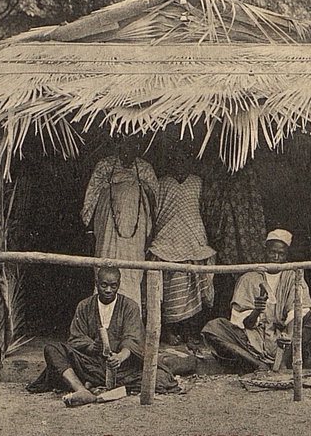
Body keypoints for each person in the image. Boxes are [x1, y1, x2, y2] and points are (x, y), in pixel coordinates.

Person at [26, 267, 178, 405]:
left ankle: (91, 384)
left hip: (122, 367)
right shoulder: (84, 306)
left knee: (160, 378)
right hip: (91, 363)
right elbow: (75, 337)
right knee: (53, 350)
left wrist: (120, 357)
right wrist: (92, 346)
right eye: (104, 285)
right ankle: (82, 390)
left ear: (119, 284)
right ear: (97, 283)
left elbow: (132, 339)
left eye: (113, 286)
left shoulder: (130, 306)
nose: (108, 290)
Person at [201, 229, 311, 372]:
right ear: (265, 251)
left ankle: (283, 362)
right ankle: (257, 364)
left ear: (287, 255)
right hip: (253, 339)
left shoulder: (293, 277)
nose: (276, 257)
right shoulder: (249, 277)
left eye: (281, 254)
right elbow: (245, 323)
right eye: (272, 252)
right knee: (213, 328)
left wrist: (288, 337)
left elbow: (298, 312)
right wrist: (256, 311)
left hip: (285, 339)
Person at [148, 152, 215, 345]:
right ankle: (169, 331)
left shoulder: (197, 182)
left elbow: (204, 209)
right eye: (176, 160)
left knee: (192, 290)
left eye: (184, 159)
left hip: (192, 240)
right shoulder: (162, 183)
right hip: (167, 240)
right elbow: (156, 211)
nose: (180, 164)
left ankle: (189, 333)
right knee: (169, 292)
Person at [81, 140, 158, 308]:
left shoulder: (145, 169)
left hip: (134, 238)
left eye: (133, 144)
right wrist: (89, 229)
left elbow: (154, 204)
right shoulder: (105, 166)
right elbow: (91, 199)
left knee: (132, 274)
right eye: (124, 144)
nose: (128, 150)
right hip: (108, 233)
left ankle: (130, 320)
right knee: (105, 273)